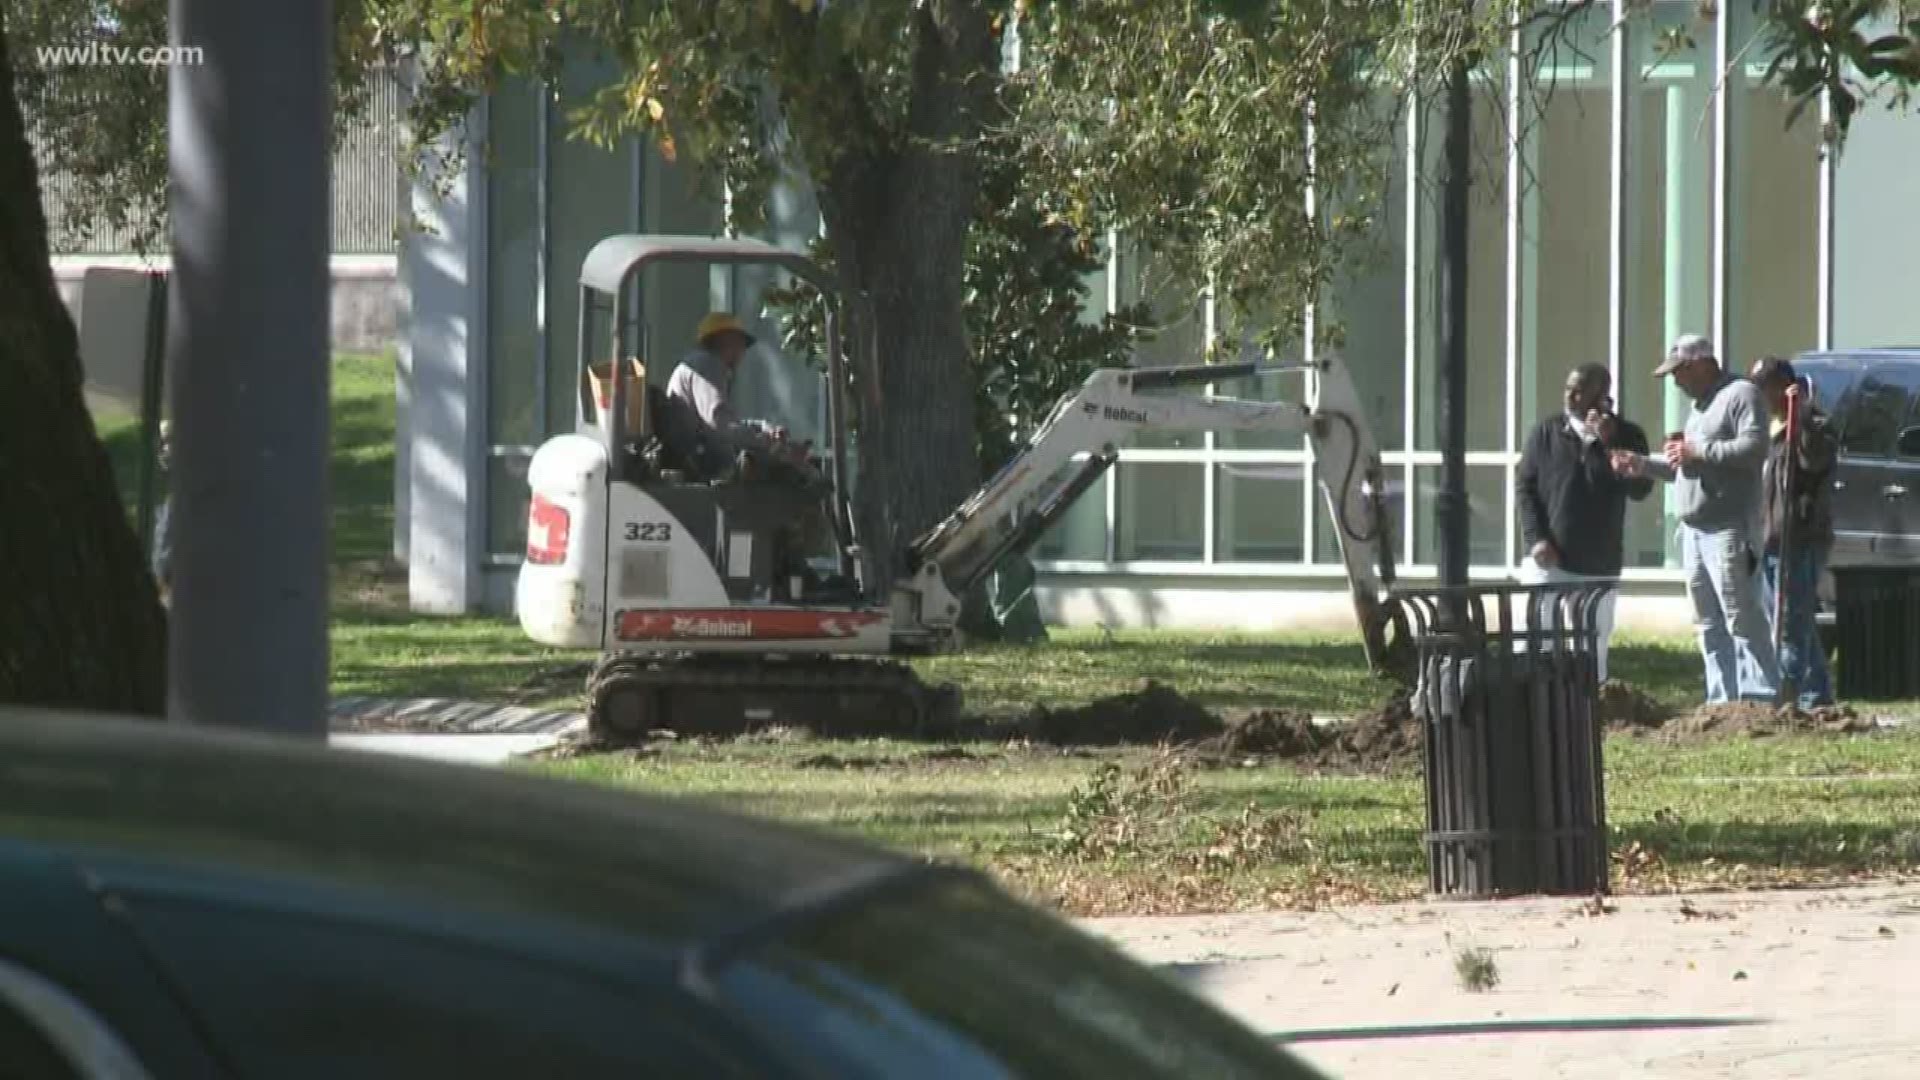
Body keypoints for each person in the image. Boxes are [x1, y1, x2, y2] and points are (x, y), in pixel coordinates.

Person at [1611, 334, 1777, 703]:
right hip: (1694, 531)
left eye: (1680, 372)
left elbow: (1754, 449)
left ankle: (1762, 698)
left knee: (1741, 618)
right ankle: (1722, 701)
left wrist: (1697, 450)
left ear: (1703, 363)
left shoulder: (1741, 394)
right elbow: (1685, 468)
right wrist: (1642, 464)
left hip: (1727, 528)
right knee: (1708, 623)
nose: (1676, 381)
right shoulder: (1700, 406)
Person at [1515, 363, 1653, 681]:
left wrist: (1605, 444)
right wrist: (1536, 537)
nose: (1571, 395)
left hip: (1598, 561)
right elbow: (1525, 487)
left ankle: (1589, 705)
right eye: (1568, 388)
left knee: (1592, 644)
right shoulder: (1546, 432)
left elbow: (1640, 490)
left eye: (1580, 390)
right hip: (1549, 558)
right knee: (1535, 639)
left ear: (1604, 398)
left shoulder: (1628, 435)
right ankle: (1536, 698)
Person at [1750, 355, 1838, 708]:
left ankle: (1789, 695)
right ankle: (1817, 695)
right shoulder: (1769, 427)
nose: (1759, 396)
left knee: (1790, 621)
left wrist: (1799, 415)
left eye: (1764, 388)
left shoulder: (1814, 423)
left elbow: (1813, 460)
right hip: (1771, 538)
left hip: (1800, 538)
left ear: (1783, 386)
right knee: (1791, 617)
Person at [665, 312, 810, 480]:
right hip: (701, 460)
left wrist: (764, 428)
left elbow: (726, 422)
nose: (742, 353)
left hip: (699, 453)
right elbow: (719, 424)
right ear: (726, 341)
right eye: (741, 345)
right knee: (794, 473)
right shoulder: (708, 365)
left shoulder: (701, 366)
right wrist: (766, 441)